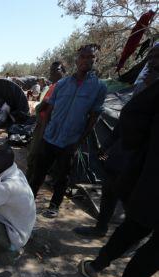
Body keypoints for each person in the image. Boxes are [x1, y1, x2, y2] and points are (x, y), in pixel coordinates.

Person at [78, 79, 159, 277]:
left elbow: (131, 120)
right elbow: (128, 124)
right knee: (150, 242)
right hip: (137, 173)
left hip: (145, 177)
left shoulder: (147, 97)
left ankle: (96, 266)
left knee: (132, 227)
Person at [74, 43, 159, 238]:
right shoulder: (143, 84)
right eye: (151, 56)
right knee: (109, 188)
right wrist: (108, 144)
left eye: (157, 57)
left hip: (143, 158)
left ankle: (132, 238)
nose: (152, 62)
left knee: (133, 198)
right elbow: (127, 118)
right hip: (122, 151)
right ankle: (101, 227)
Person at [29, 44, 107, 218]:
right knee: (38, 172)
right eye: (83, 57)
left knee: (62, 176)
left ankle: (54, 206)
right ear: (77, 59)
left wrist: (78, 142)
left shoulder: (99, 88)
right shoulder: (62, 83)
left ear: (96, 60)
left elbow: (93, 118)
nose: (86, 60)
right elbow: (50, 110)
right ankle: (28, 200)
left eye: (90, 57)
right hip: (50, 137)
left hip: (70, 140)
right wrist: (45, 131)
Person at [26, 61, 67, 182]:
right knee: (37, 153)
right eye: (51, 71)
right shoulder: (54, 86)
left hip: (46, 123)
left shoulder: (60, 86)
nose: (52, 73)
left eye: (57, 70)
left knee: (35, 153)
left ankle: (29, 182)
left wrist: (38, 108)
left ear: (64, 72)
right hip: (44, 122)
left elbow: (45, 105)